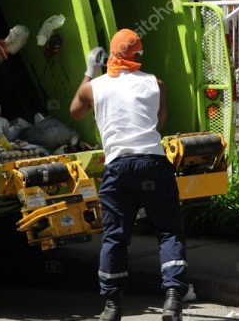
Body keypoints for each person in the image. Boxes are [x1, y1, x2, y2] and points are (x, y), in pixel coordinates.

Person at [70, 29, 187, 321]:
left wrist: (88, 71)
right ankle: (172, 298)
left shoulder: (95, 87)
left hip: (118, 167)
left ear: (111, 54)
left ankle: (112, 305)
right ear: (138, 55)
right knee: (169, 230)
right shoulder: (155, 83)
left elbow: (75, 112)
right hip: (153, 163)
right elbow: (158, 122)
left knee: (115, 237)